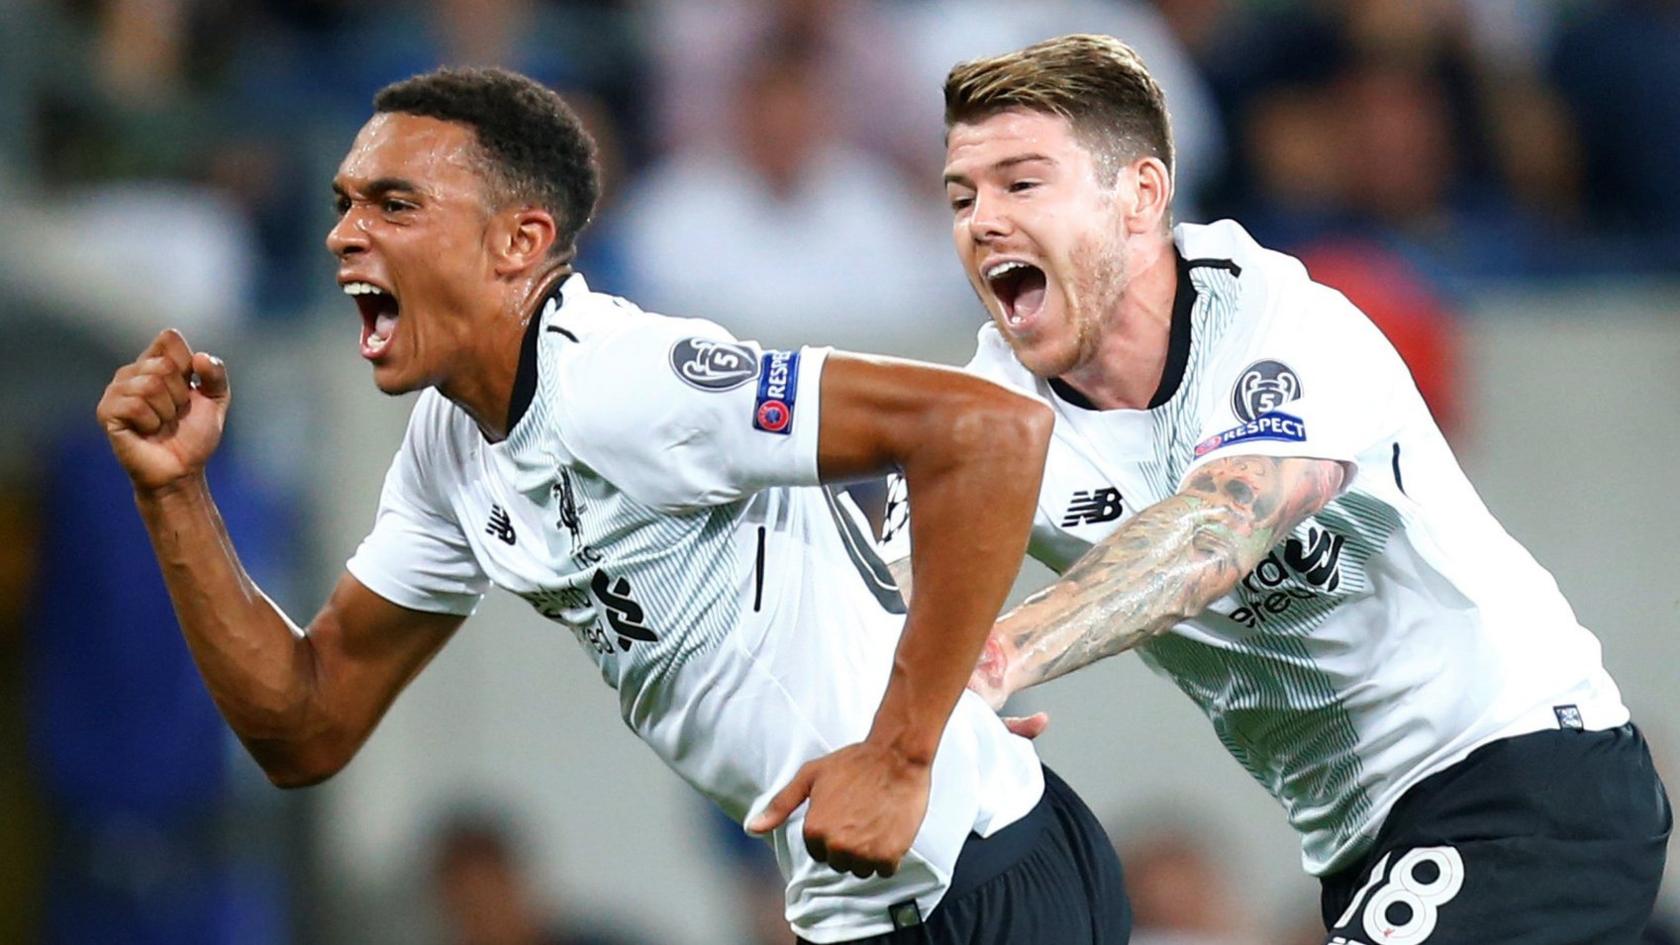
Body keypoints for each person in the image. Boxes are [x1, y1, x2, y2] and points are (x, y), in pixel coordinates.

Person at [93, 67, 1129, 945]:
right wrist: (176, 492)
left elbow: (989, 430)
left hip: (973, 876)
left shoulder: (630, 381)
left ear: (517, 243)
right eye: (344, 204)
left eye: (394, 205)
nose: (343, 237)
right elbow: (306, 726)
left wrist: (905, 749)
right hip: (883, 890)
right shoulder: (450, 448)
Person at [879, 34, 1671, 945]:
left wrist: (993, 657)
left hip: (1527, 782)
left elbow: (1219, 529)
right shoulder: (978, 422)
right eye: (961, 196)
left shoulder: (1285, 323)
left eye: (1022, 184)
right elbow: (879, 610)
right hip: (1364, 850)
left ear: (1139, 196)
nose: (983, 220)